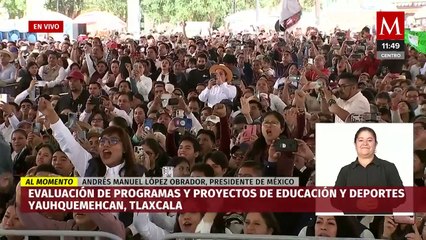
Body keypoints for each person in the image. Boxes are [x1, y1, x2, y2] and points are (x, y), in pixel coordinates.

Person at [335, 127, 403, 186]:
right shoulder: (345, 171)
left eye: (369, 140)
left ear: (375, 144)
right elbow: (335, 199)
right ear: (355, 144)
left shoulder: (389, 167)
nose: (365, 143)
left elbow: (400, 196)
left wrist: (379, 200)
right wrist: (356, 201)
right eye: (361, 140)